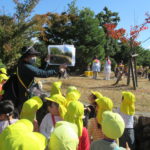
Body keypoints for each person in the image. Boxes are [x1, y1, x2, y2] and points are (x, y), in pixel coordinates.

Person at [2, 46, 56, 110]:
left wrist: (46, 61)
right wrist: (57, 70)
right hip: (26, 95)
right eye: (32, 55)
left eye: (35, 55)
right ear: (26, 57)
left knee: (45, 98)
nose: (34, 57)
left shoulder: (24, 64)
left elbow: (39, 71)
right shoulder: (25, 66)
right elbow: (42, 73)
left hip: (28, 92)